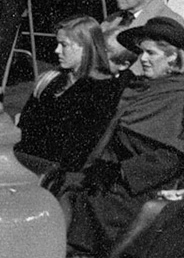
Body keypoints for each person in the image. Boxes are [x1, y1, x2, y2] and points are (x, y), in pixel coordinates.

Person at [67, 16, 184, 255]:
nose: (143, 59)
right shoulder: (140, 86)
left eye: (151, 53)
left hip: (138, 187)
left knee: (88, 209)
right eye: (142, 53)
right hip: (108, 177)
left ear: (172, 56)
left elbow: (172, 157)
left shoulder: (183, 94)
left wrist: (120, 172)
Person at [17, 15, 121, 178]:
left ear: (85, 48)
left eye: (64, 45)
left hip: (61, 174)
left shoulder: (103, 90)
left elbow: (82, 147)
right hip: (26, 163)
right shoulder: (50, 80)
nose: (56, 51)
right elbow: (25, 127)